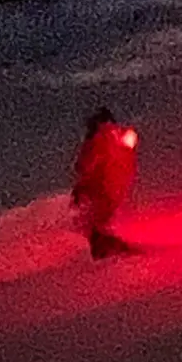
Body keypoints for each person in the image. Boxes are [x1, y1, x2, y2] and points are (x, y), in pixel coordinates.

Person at [72, 108, 139, 259]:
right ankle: (109, 251)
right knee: (99, 222)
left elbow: (83, 166)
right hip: (107, 188)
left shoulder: (99, 139)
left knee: (95, 223)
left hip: (100, 188)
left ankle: (106, 253)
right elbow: (125, 160)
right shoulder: (113, 138)